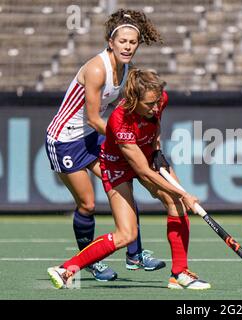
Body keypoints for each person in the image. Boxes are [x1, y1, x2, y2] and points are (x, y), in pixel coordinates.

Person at [47, 69, 211, 290]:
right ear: (134, 100)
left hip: (145, 154)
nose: (155, 108)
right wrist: (184, 193)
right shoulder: (119, 119)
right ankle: (65, 269)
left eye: (157, 103)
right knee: (126, 234)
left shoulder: (159, 99)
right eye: (149, 104)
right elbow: (142, 171)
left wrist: (157, 150)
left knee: (177, 204)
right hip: (117, 165)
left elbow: (156, 125)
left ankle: (179, 273)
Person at [45, 9, 165, 281]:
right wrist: (124, 141)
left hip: (93, 136)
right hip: (65, 140)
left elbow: (131, 111)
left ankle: (135, 255)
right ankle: (88, 262)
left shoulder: (127, 72)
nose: (127, 46)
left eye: (132, 42)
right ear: (111, 42)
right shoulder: (97, 69)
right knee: (87, 204)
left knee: (124, 186)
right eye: (122, 41)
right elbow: (93, 117)